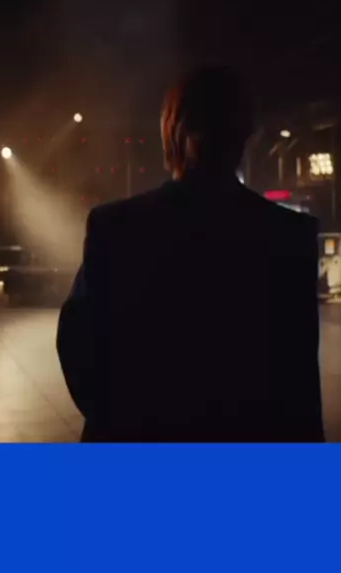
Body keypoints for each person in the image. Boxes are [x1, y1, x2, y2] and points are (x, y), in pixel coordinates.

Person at [57, 66, 324, 442]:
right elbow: (298, 382)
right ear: (245, 135)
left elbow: (78, 346)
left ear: (172, 133)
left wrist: (120, 419)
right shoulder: (289, 235)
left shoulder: (116, 228)